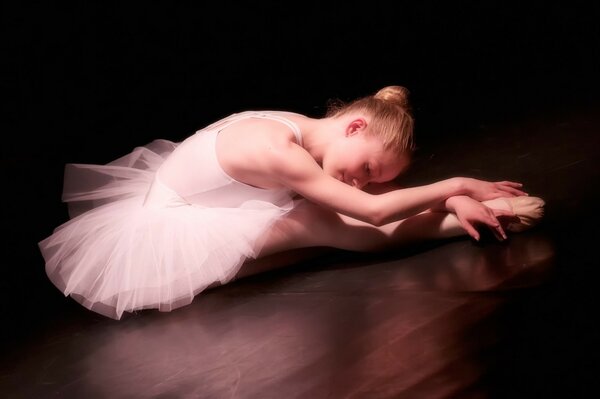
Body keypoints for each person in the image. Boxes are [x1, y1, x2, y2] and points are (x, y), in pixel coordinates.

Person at [38, 85, 545, 320]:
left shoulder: (306, 129)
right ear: (354, 125)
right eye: (367, 168)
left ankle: (459, 216)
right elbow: (367, 210)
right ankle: (472, 223)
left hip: (207, 211)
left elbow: (369, 198)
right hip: (158, 245)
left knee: (331, 214)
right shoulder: (276, 147)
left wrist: (449, 196)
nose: (365, 181)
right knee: (324, 220)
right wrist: (455, 187)